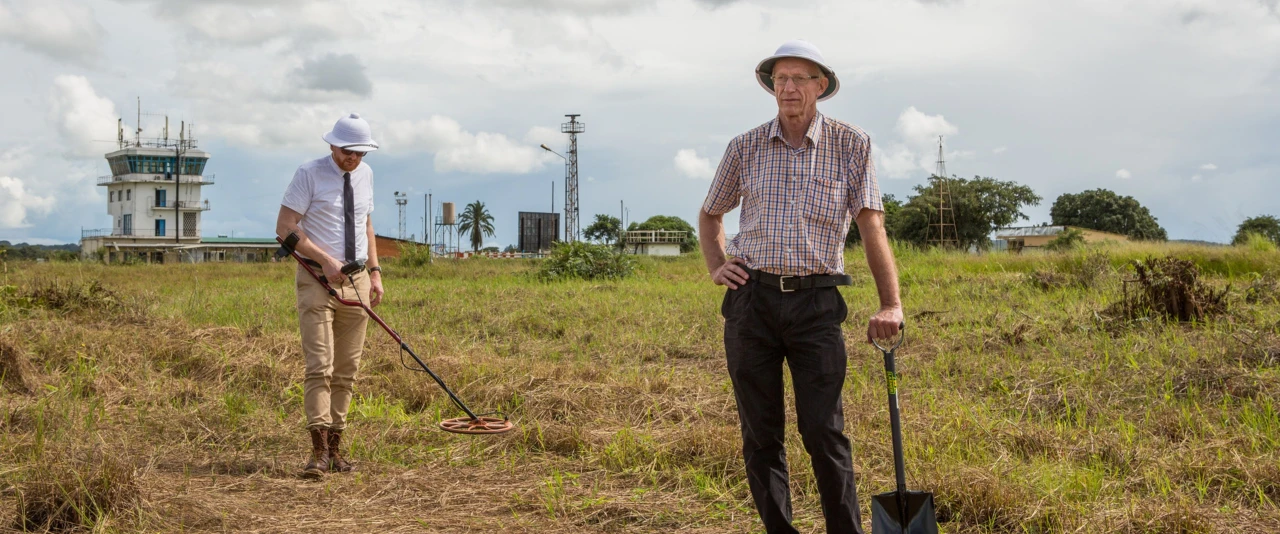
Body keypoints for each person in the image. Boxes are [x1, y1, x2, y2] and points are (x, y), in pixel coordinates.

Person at [698, 40, 904, 534]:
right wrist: (717, 264)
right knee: (761, 435)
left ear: (821, 87)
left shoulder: (852, 144)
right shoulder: (744, 146)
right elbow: (711, 213)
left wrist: (891, 303)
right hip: (752, 303)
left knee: (824, 431)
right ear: (772, 87)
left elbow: (871, 226)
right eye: (780, 79)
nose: (788, 88)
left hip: (817, 304)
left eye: (799, 79)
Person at [275, 113, 385, 479]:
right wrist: (326, 260)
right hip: (317, 279)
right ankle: (318, 453)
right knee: (319, 365)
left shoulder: (366, 176)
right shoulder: (309, 173)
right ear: (332, 145)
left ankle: (337, 449)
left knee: (347, 370)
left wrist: (375, 272)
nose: (354, 158)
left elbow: (366, 225)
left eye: (360, 153)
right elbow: (284, 228)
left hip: (358, 283)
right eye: (348, 151)